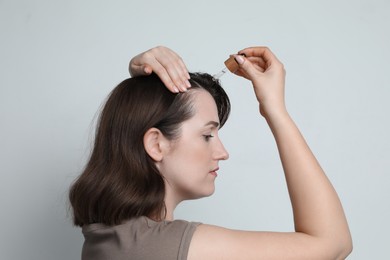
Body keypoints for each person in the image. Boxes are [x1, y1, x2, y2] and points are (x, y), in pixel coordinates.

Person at [69, 46, 352, 259]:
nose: (222, 152)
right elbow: (334, 244)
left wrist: (141, 92)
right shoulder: (159, 245)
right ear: (155, 144)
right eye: (207, 135)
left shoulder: (111, 238)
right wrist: (274, 110)